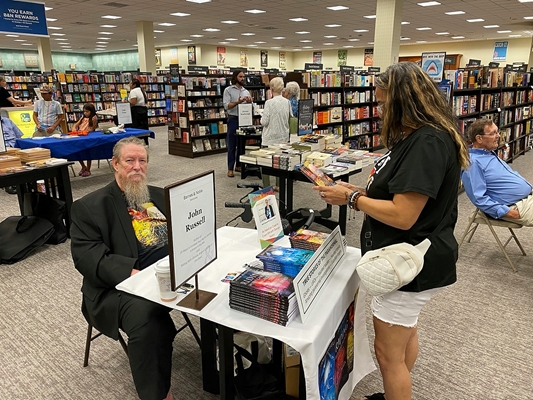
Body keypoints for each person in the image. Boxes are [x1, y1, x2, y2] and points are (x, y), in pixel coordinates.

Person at [311, 62, 470, 400]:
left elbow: (403, 215)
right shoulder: (422, 136)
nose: (381, 111)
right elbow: (402, 195)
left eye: (384, 103)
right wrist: (361, 194)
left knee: (388, 355)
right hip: (411, 256)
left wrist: (352, 198)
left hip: (407, 261)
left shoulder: (427, 142)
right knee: (404, 333)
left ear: (402, 102)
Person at [70, 137, 177, 400]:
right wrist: (136, 277)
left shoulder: (159, 195)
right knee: (148, 319)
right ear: (115, 164)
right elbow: (87, 257)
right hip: (118, 286)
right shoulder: (90, 207)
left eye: (142, 161)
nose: (137, 167)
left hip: (169, 273)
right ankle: (158, 395)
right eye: (130, 161)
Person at [461, 118, 533, 226]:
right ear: (479, 138)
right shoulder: (473, 163)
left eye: (497, 131)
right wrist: (509, 213)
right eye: (493, 133)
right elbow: (479, 198)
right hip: (516, 206)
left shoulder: (487, 153)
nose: (498, 136)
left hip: (527, 198)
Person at [260, 77, 290, 189]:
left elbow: (264, 122)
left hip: (269, 138)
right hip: (283, 137)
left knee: (265, 162)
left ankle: (266, 186)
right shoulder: (287, 102)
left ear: (271, 88)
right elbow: (289, 118)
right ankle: (279, 185)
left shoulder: (269, 103)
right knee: (280, 163)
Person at [223, 69, 252, 177]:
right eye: (240, 77)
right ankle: (230, 168)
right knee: (232, 144)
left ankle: (239, 165)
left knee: (241, 144)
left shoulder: (246, 91)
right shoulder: (228, 90)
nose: (243, 78)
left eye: (243, 77)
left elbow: (250, 108)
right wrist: (237, 102)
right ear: (235, 78)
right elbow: (227, 106)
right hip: (233, 119)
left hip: (243, 119)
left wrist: (250, 102)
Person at [72, 103, 98, 177]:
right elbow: (75, 125)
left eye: (87, 111)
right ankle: (83, 166)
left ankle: (88, 169)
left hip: (88, 137)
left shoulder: (94, 118)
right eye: (84, 111)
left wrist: (82, 132)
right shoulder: (82, 118)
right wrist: (74, 129)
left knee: (88, 153)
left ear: (91, 111)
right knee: (77, 151)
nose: (85, 113)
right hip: (80, 136)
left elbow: (91, 128)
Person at [1, 116, 24, 194]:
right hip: (2, 148)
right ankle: (9, 183)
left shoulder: (7, 120)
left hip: (14, 146)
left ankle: (23, 182)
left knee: (24, 157)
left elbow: (18, 135)